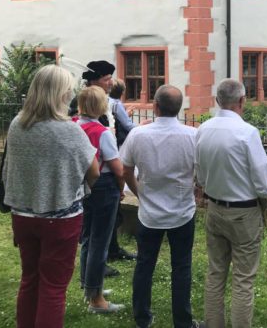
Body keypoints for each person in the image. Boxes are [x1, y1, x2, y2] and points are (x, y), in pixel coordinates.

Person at [4, 64, 100, 328]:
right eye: (68, 91)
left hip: (22, 215)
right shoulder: (69, 130)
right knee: (53, 287)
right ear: (60, 94)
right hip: (61, 217)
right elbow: (94, 170)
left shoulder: (16, 124)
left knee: (30, 279)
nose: (70, 95)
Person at [195, 78, 267, 328]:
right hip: (244, 211)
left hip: (216, 208)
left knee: (216, 272)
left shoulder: (203, 129)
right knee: (243, 279)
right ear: (242, 101)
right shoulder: (247, 132)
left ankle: (213, 323)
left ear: (218, 100)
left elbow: (198, 173)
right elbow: (263, 181)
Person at [121, 85, 202, 328]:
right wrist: (195, 189)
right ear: (179, 108)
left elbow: (125, 170)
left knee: (145, 264)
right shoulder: (192, 135)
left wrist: (139, 193)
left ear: (155, 106)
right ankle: (183, 321)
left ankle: (142, 318)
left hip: (150, 212)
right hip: (182, 210)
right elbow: (200, 171)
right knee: (182, 266)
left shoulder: (138, 135)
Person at [77, 86, 125, 314]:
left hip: (84, 186)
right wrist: (121, 188)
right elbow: (117, 168)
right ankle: (96, 298)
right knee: (100, 241)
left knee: (87, 237)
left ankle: (88, 284)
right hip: (104, 185)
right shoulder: (101, 131)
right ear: (100, 106)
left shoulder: (76, 125)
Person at [107, 78, 138, 262]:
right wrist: (143, 126)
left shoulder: (108, 102)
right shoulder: (116, 104)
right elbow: (128, 127)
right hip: (119, 145)